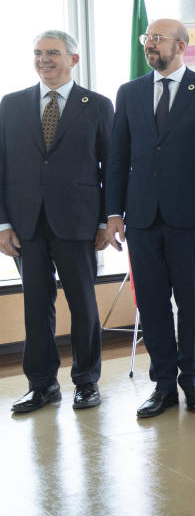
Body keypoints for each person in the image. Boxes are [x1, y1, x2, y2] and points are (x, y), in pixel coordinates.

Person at [105, 18, 195, 418]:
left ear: (182, 45)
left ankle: (192, 381)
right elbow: (118, 158)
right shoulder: (129, 93)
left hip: (193, 218)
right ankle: (162, 385)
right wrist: (112, 213)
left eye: (157, 39)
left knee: (191, 303)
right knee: (154, 305)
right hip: (141, 218)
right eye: (147, 38)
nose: (149, 45)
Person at [3, 30, 113, 413]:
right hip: (26, 225)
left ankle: (86, 381)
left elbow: (110, 168)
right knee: (35, 304)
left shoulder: (97, 105)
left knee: (83, 303)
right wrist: (2, 224)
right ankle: (41, 385)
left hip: (78, 222)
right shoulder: (11, 104)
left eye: (52, 52)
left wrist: (105, 220)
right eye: (38, 53)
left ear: (74, 59)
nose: (43, 59)